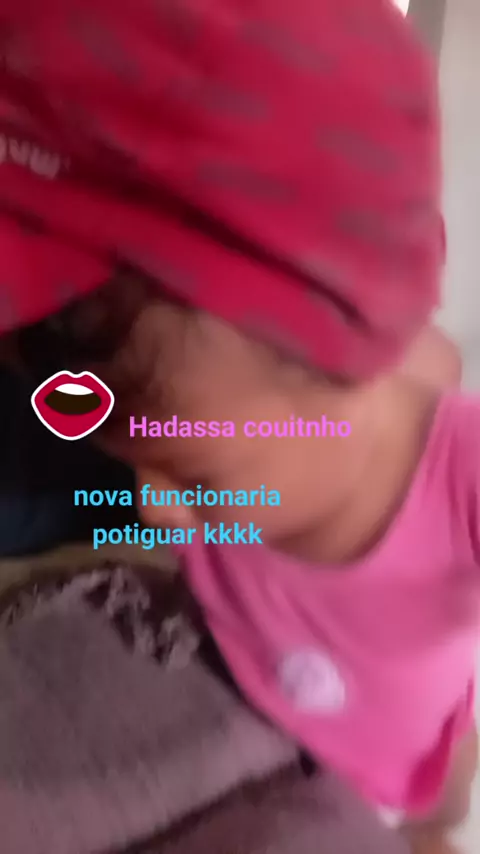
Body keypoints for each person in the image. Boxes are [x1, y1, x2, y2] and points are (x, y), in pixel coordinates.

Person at [0, 1, 471, 852]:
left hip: (382, 758)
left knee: (432, 791)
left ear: (346, 375)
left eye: (193, 481)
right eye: (142, 465)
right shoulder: (244, 413)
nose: (154, 510)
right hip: (233, 671)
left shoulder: (455, 469)